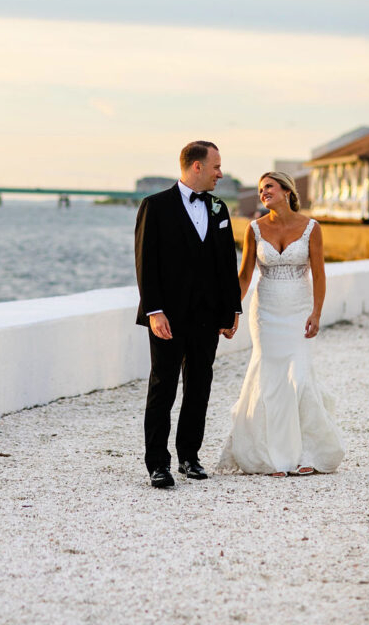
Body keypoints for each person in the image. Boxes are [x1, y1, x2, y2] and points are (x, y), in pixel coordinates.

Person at [218, 171, 345, 476]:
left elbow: (319, 274)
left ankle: (306, 454)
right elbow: (245, 275)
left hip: (298, 309)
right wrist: (231, 312)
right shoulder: (254, 228)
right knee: (271, 380)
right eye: (261, 189)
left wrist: (316, 312)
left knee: (298, 378)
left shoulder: (312, 228)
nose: (263, 193)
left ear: (287, 190)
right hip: (267, 311)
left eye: (269, 187)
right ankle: (271, 458)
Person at [135, 141, 242, 488]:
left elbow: (227, 263)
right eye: (216, 167)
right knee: (163, 387)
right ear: (196, 166)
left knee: (199, 386)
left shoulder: (218, 207)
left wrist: (232, 309)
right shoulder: (155, 206)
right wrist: (154, 311)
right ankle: (157, 464)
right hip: (168, 316)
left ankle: (189, 457)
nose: (220, 174)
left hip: (208, 316)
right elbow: (145, 262)